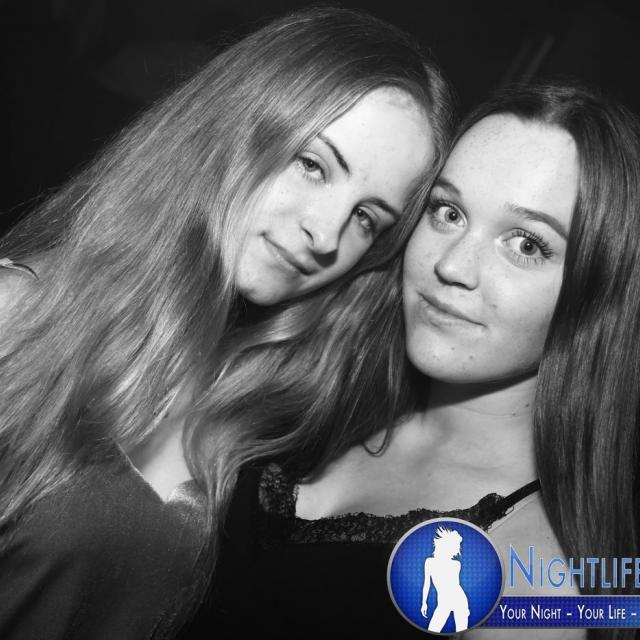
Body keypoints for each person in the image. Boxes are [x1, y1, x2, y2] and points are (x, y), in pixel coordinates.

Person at [0, 7, 455, 639]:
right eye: (313, 165)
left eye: (366, 218)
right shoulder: (21, 315)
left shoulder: (254, 417)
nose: (326, 234)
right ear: (237, 128)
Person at [200, 80, 640, 640]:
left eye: (527, 244)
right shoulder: (323, 374)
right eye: (448, 212)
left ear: (600, 297)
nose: (452, 265)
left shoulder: (534, 585)